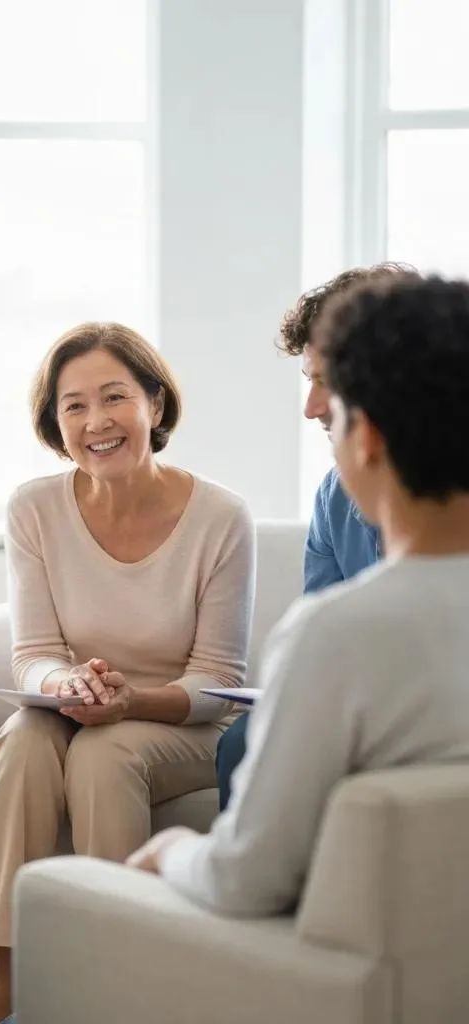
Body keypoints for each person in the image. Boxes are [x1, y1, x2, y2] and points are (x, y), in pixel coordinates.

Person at [129, 273, 469, 915]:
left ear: (365, 436)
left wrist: (170, 849)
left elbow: (243, 883)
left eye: (330, 401)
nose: (312, 409)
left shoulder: (339, 636)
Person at [0, 322, 255, 1024]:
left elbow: (217, 678)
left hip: (179, 720)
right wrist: (62, 685)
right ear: (55, 422)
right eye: (74, 406)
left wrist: (129, 702)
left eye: (114, 398)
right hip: (75, 708)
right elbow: (33, 651)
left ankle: (115, 977)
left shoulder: (220, 517)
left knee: (106, 753)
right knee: (22, 739)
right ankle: (6, 968)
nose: (96, 421)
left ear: (154, 405)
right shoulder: (33, 508)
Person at [214, 262, 413, 810]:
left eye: (326, 381)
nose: (311, 408)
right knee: (246, 741)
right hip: (352, 705)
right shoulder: (335, 495)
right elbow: (317, 630)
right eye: (310, 381)